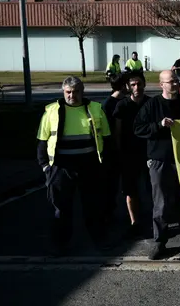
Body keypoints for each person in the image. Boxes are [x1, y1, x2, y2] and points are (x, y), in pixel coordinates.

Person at [133, 71, 180, 260]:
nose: (174, 84)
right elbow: (138, 129)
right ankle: (160, 241)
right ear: (161, 85)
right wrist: (158, 125)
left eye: (176, 81)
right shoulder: (152, 105)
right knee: (161, 203)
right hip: (161, 160)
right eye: (170, 81)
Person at [37, 76, 112, 255]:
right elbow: (41, 141)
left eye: (76, 91)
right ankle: (61, 246)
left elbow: (107, 139)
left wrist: (105, 165)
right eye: (68, 92)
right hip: (61, 168)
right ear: (63, 92)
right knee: (61, 210)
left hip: (89, 166)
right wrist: (45, 167)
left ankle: (99, 241)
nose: (72, 95)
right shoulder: (52, 111)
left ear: (82, 91)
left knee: (93, 207)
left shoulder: (95, 109)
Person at [113, 73, 151, 238]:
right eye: (133, 84)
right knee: (130, 190)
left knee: (152, 188)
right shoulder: (122, 106)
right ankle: (134, 221)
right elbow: (117, 132)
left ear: (144, 84)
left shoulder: (151, 103)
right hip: (128, 153)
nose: (137, 88)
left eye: (139, 84)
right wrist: (119, 154)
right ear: (128, 87)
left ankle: (153, 219)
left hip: (148, 151)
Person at [101, 73, 128, 219]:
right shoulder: (110, 104)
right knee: (112, 182)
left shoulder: (109, 103)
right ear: (124, 85)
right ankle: (109, 210)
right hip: (114, 149)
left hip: (119, 148)